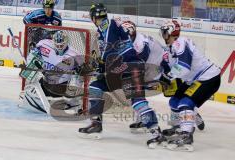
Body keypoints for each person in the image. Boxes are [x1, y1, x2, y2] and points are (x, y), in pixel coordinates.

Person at [77, 3, 164, 147]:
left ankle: (156, 132)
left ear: (93, 17)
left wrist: (99, 66)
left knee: (137, 101)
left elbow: (108, 52)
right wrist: (99, 68)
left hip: (129, 67)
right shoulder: (103, 29)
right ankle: (96, 124)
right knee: (95, 87)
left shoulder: (109, 25)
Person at [121, 21, 205, 134]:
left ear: (132, 33)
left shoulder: (140, 43)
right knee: (137, 92)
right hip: (152, 70)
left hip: (163, 68)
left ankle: (193, 114)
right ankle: (142, 118)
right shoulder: (132, 40)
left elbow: (138, 63)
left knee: (176, 96)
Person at [158, 20, 221, 151]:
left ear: (171, 33)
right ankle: (178, 127)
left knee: (185, 103)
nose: (163, 36)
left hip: (208, 78)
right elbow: (167, 66)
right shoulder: (171, 48)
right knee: (174, 102)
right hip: (194, 79)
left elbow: (184, 67)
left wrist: (167, 77)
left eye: (164, 33)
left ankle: (187, 135)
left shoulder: (180, 43)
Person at [19, 30, 83, 114]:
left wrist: (79, 70)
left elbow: (82, 73)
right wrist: (29, 64)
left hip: (60, 88)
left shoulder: (74, 55)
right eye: (57, 45)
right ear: (53, 42)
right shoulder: (44, 44)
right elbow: (32, 54)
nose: (59, 47)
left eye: (61, 45)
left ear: (66, 42)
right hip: (44, 81)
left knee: (77, 79)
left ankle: (72, 101)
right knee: (28, 88)